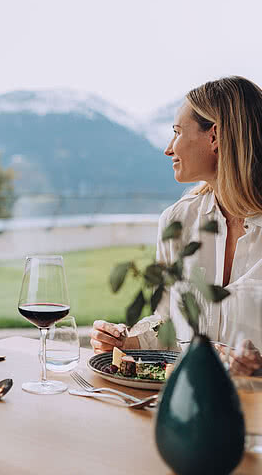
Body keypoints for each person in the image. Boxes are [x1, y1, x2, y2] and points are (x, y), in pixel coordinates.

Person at [91, 76, 262, 375]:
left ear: (215, 136)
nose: (169, 149)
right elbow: (167, 320)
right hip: (188, 404)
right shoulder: (178, 221)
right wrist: (124, 341)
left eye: (177, 132)